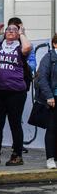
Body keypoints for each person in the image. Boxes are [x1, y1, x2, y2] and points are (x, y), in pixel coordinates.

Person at [0, 23, 32, 166]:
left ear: (18, 34)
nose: (10, 31)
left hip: (16, 92)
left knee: (15, 123)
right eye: (8, 29)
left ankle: (17, 155)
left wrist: (22, 33)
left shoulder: (20, 46)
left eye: (14, 30)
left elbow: (27, 48)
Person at [36, 34, 57, 169]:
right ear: (55, 44)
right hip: (53, 99)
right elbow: (42, 78)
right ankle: (50, 158)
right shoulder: (49, 58)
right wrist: (49, 96)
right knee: (52, 129)